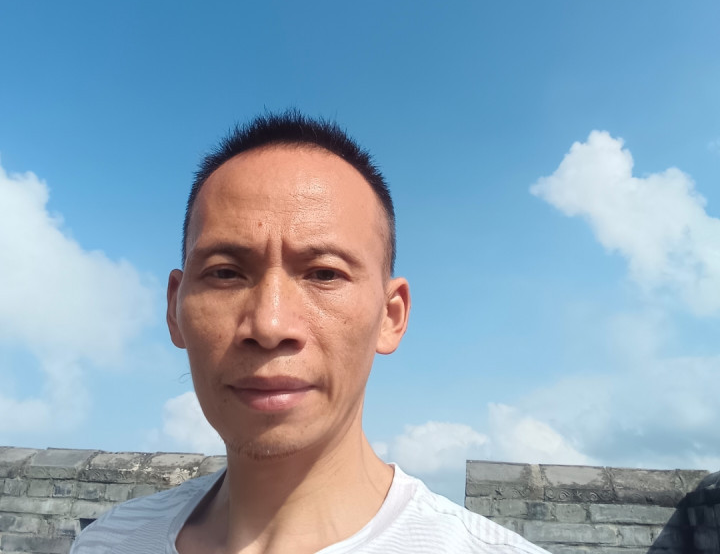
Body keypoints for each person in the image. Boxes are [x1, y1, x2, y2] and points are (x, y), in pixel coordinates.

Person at [71, 112, 547, 554]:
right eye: (225, 273)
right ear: (175, 309)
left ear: (390, 316)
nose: (269, 326)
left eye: (324, 274)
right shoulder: (106, 543)